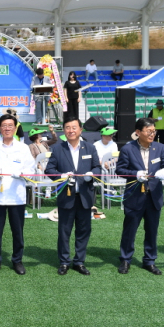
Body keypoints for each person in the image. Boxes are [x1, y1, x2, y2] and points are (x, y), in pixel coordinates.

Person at [115, 117, 164, 275]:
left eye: (153, 131)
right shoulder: (128, 149)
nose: (152, 134)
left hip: (154, 195)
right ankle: (126, 259)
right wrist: (135, 174)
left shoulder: (160, 148)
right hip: (134, 195)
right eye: (149, 131)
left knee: (152, 230)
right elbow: (120, 170)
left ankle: (150, 260)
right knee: (130, 229)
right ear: (138, 132)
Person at [0, 114, 34, 275]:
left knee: (18, 231)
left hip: (17, 196)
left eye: (10, 125)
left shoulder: (23, 148)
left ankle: (17, 260)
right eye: (4, 125)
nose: (7, 128)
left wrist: (22, 173)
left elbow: (31, 170)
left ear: (15, 128)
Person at [45, 117, 101, 276]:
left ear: (80, 130)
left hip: (85, 196)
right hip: (66, 196)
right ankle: (64, 262)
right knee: (64, 231)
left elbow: (97, 167)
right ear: (64, 130)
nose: (71, 130)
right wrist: (61, 176)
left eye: (74, 127)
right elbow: (49, 170)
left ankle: (79, 261)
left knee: (84, 230)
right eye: (67, 127)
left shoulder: (90, 148)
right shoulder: (57, 149)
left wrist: (92, 174)